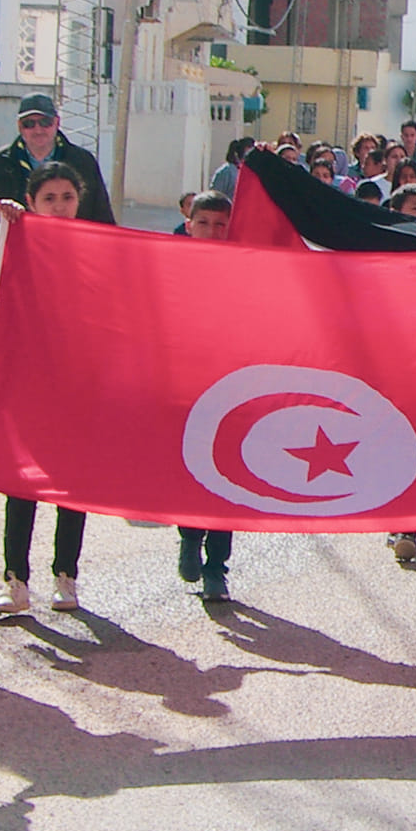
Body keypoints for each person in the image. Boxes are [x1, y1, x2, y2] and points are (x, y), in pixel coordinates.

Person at [0, 161, 99, 614]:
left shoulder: (97, 249)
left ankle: (66, 577)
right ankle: (16, 581)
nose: (59, 206)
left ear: (80, 200)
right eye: (48, 198)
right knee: (22, 484)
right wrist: (9, 224)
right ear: (32, 202)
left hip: (79, 382)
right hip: (28, 381)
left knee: (72, 482)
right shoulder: (15, 241)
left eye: (67, 197)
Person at [177, 192, 238, 602]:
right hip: (184, 385)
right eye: (204, 223)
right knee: (188, 471)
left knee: (227, 475)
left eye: (221, 224)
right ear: (189, 225)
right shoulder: (172, 266)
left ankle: (217, 567)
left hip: (232, 386)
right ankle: (187, 534)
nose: (212, 232)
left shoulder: (246, 270)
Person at [0, 92, 115, 224]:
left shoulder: (82, 161)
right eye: (29, 124)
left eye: (45, 122)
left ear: (57, 122)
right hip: (19, 246)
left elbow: (102, 218)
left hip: (71, 245)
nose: (38, 130)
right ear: (19, 126)